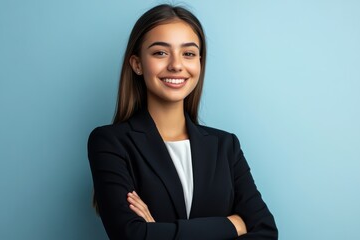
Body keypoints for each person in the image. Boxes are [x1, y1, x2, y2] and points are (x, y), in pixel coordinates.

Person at [87, 4, 278, 239]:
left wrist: (157, 232)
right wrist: (232, 225)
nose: (176, 65)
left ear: (199, 62)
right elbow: (132, 235)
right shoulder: (110, 142)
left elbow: (266, 233)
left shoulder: (226, 146)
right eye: (160, 52)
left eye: (188, 53)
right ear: (137, 64)